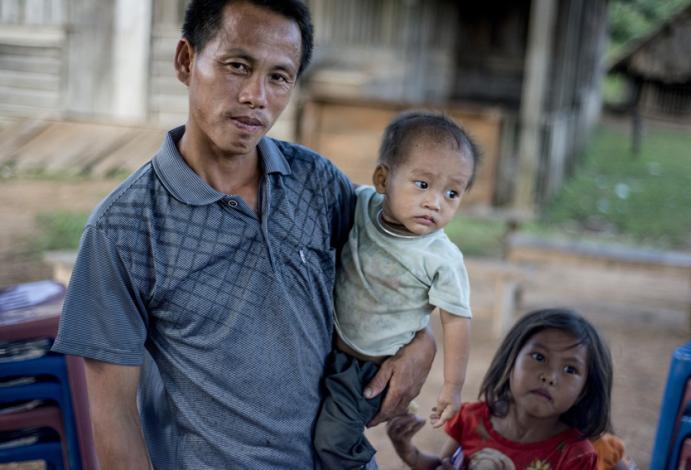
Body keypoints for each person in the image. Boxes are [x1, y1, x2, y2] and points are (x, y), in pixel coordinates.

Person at [50, 1, 434, 468]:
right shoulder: (124, 228)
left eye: (279, 76)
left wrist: (422, 342)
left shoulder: (316, 181)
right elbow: (110, 417)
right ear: (186, 61)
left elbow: (392, 268)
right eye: (238, 66)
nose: (257, 95)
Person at [313, 111, 479, 469]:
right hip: (323, 347)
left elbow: (456, 320)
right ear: (382, 179)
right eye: (423, 184)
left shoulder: (440, 258)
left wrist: (452, 385)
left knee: (333, 442)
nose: (435, 202)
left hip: (369, 371)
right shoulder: (358, 206)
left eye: (452, 192)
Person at [387, 308, 613, 470]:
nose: (550, 376)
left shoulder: (575, 455)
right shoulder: (472, 419)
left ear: (584, 390)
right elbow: (443, 464)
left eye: (570, 369)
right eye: (539, 357)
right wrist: (409, 452)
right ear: (511, 360)